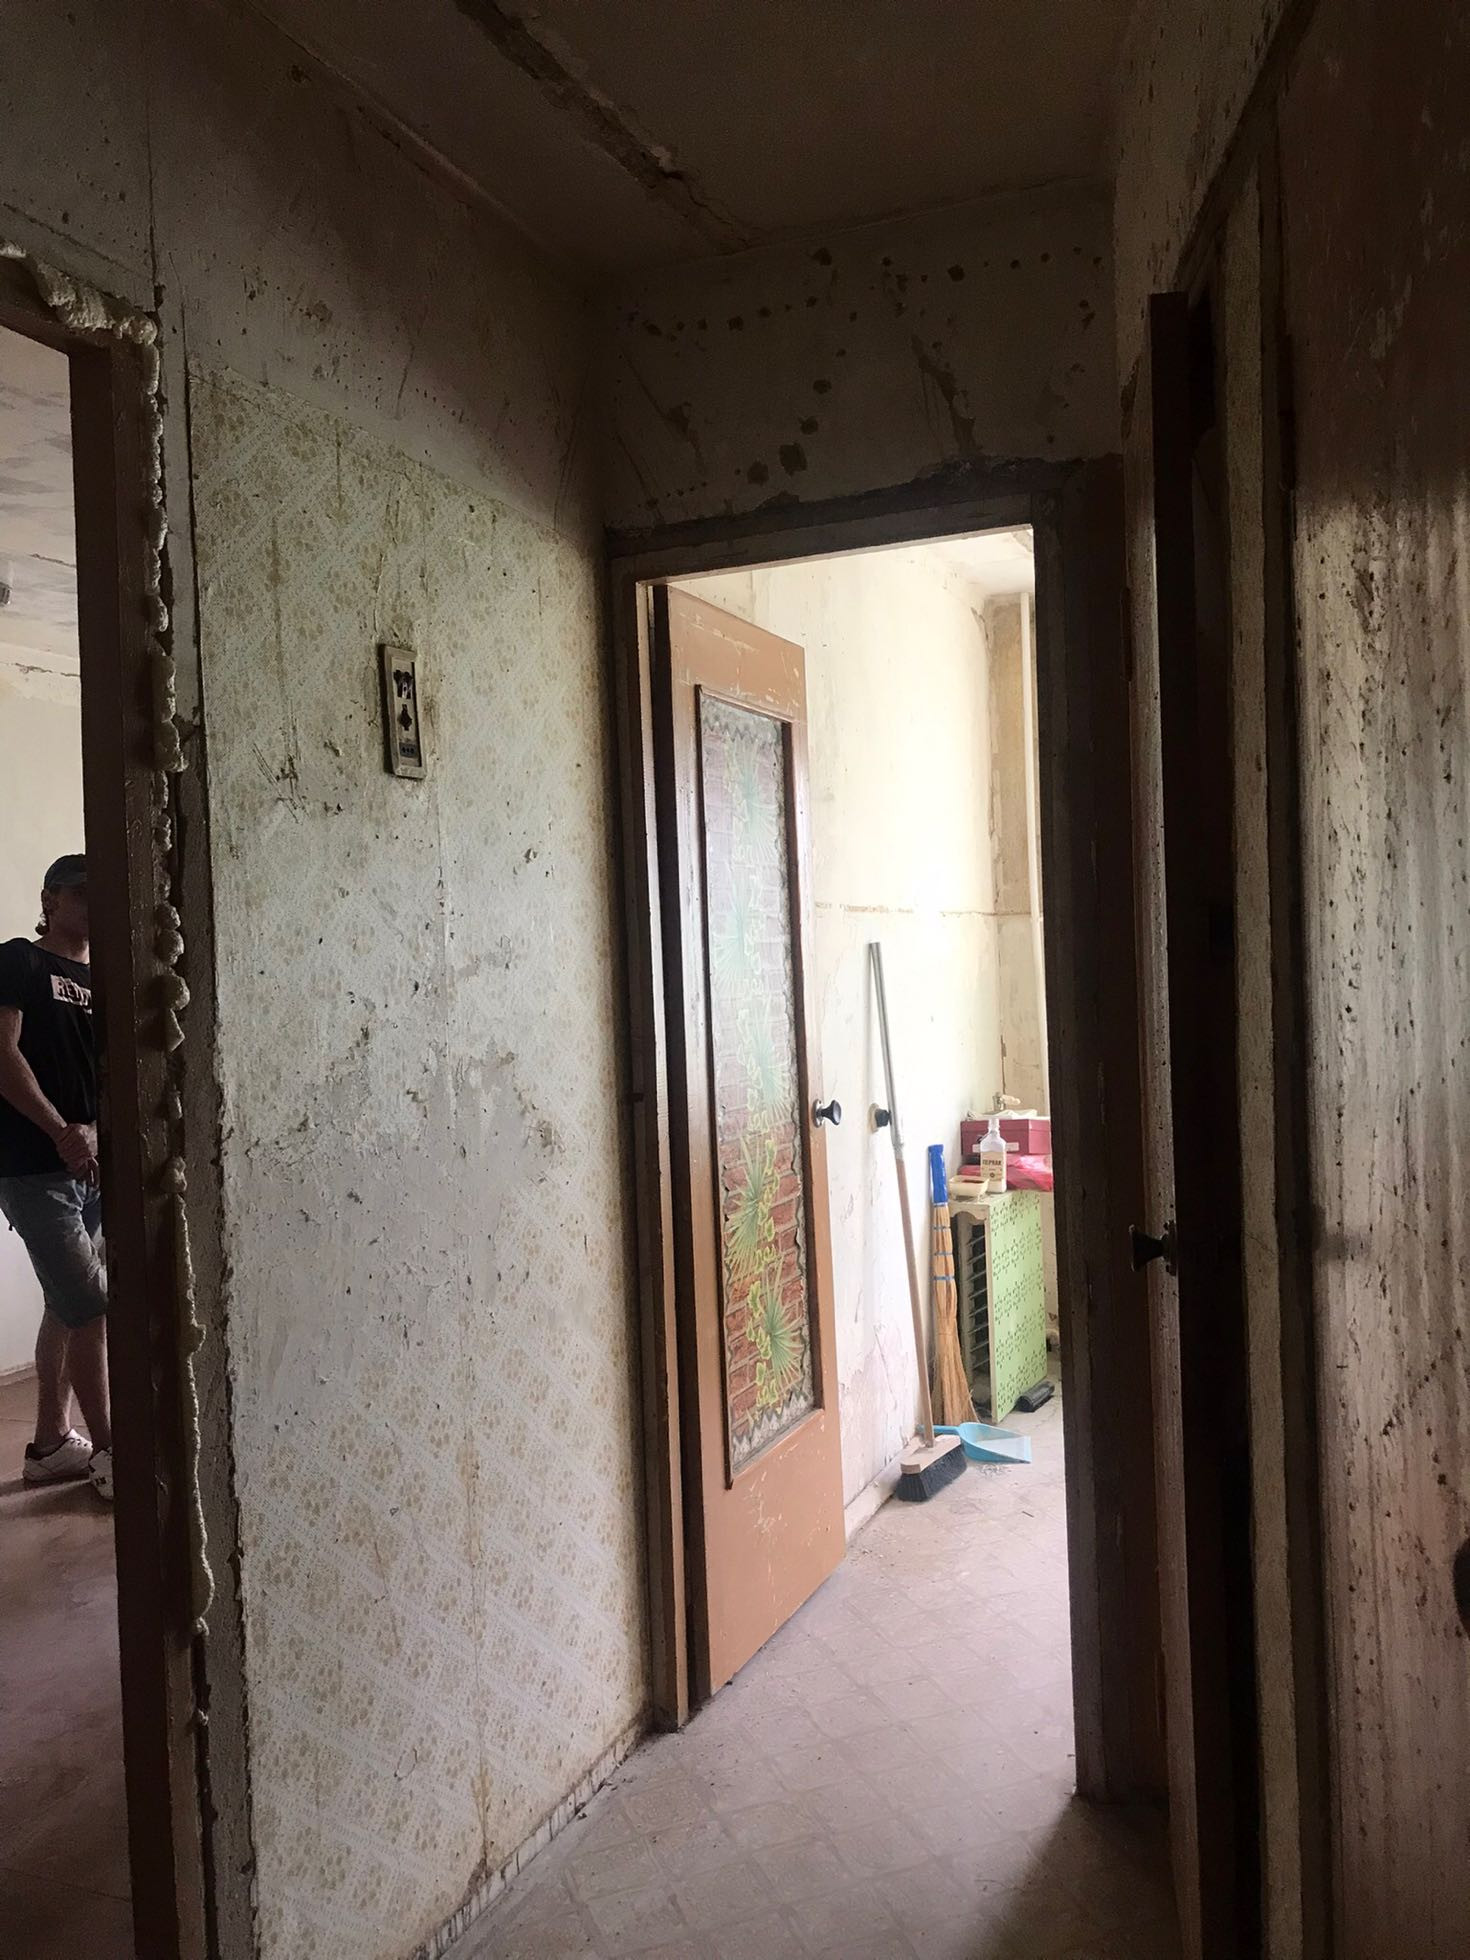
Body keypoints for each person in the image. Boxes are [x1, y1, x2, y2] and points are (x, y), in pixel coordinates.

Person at [0, 854, 111, 1501]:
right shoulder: (19, 959)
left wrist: (94, 1133)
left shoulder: (105, 979)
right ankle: (112, 1456)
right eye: (82, 893)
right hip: (35, 1168)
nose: (95, 905)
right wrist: (62, 1130)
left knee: (65, 1306)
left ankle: (50, 1446)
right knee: (92, 1306)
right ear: (51, 899)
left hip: (92, 1171)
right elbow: (2, 1054)